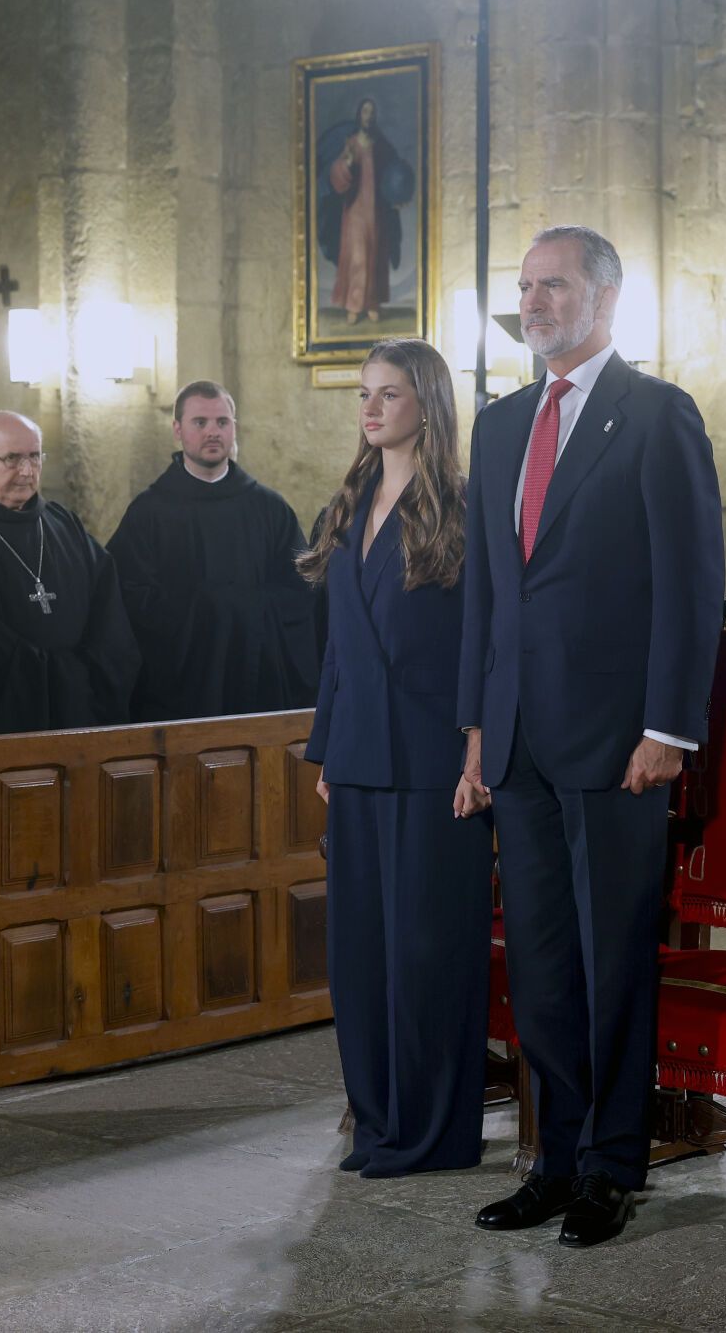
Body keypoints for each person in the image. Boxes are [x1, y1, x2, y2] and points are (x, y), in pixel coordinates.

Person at [459, 225, 725, 1247]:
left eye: (553, 284)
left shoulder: (656, 416)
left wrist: (669, 726)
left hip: (621, 741)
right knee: (538, 960)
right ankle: (554, 1156)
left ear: (606, 298)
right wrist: (477, 729)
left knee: (613, 956)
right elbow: (488, 589)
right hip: (519, 739)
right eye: (524, 286)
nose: (532, 300)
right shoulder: (496, 425)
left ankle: (614, 1163)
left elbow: (690, 585)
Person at [297, 339, 494, 1178]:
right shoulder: (346, 505)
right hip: (359, 756)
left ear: (428, 405)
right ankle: (377, 1124)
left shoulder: (461, 505)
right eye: (365, 395)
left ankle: (434, 1134)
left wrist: (478, 752)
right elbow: (337, 648)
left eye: (390, 394)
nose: (371, 409)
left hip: (433, 761)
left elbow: (488, 646)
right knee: (361, 957)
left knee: (428, 955)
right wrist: (326, 753)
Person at [0, 410, 139, 738]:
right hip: (0, 723)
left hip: (83, 714)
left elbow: (109, 609)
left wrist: (89, 675)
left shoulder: (62, 523)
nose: (26, 471)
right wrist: (59, 676)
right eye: (12, 458)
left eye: (35, 457)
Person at [107, 383, 318, 721]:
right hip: (182, 687)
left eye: (222, 422)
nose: (213, 432)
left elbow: (301, 590)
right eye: (200, 422)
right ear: (178, 430)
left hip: (257, 678)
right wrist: (206, 610)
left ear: (234, 427)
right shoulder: (149, 512)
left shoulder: (269, 508)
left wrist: (242, 610)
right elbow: (127, 597)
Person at [320, 97, 413, 325]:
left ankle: (372, 302)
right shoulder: (350, 143)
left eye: (372, 112)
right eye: (365, 112)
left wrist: (398, 193)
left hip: (377, 210)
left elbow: (395, 174)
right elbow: (337, 175)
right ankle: (353, 303)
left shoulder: (381, 145)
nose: (368, 116)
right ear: (359, 115)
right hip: (355, 209)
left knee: (375, 254)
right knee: (357, 256)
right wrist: (347, 164)